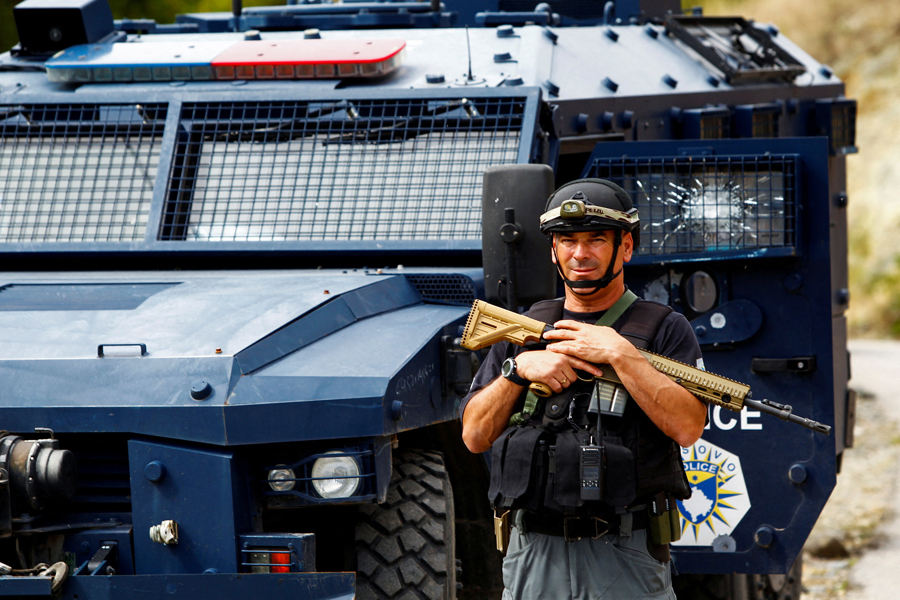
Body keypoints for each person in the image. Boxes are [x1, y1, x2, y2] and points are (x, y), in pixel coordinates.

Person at [459, 178, 708, 600]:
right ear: (553, 250)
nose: (580, 254)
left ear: (625, 247)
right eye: (568, 241)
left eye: (596, 240)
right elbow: (473, 435)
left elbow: (688, 427)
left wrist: (621, 355)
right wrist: (518, 370)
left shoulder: (665, 328)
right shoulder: (524, 330)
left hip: (625, 551)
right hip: (532, 551)